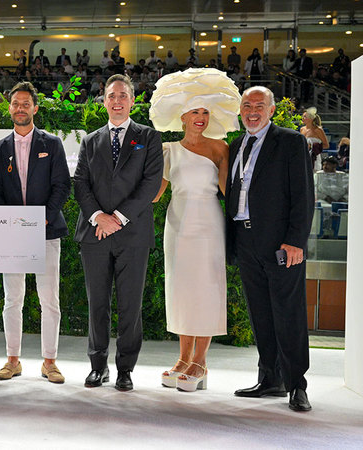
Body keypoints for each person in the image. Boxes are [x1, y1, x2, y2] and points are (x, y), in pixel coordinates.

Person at [148, 68, 242, 391]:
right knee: (181, 290)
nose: (200, 118)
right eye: (194, 112)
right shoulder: (168, 149)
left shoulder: (220, 148)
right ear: (183, 117)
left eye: (205, 112)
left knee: (207, 289)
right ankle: (183, 358)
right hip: (177, 225)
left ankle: (200, 362)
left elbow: (230, 192)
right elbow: (155, 195)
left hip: (209, 226)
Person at [73, 74, 163, 391]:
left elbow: (150, 184)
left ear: (133, 101)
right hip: (95, 234)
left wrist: (118, 218)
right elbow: (80, 183)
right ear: (104, 101)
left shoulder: (148, 137)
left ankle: (125, 369)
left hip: (133, 234)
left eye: (123, 95)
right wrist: (99, 217)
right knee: (97, 303)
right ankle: (98, 367)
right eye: (111, 95)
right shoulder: (90, 140)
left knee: (130, 305)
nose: (117, 101)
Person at [225, 86, 314, 412]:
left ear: (271, 110)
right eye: (246, 105)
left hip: (281, 243)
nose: (252, 111)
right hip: (245, 240)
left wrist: (296, 240)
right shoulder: (236, 145)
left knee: (288, 314)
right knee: (260, 314)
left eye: (259, 106)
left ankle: (297, 384)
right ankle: (270, 378)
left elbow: (303, 195)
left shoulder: (291, 142)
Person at [0, 82, 70, 384]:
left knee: (49, 300)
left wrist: (42, 220)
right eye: (15, 104)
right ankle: (12, 360)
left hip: (46, 232)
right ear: (9, 109)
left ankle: (50, 362)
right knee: (13, 299)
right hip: (12, 236)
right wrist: (11, 224)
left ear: (35, 108)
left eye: (25, 104)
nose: (20, 108)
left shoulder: (53, 144)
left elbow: (62, 186)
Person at [300, 107, 329, 171]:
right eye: (303, 116)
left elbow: (326, 145)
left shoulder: (318, 130)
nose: (302, 118)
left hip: (314, 158)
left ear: (311, 118)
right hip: (303, 157)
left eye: (305, 117)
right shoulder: (302, 129)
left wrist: (313, 147)